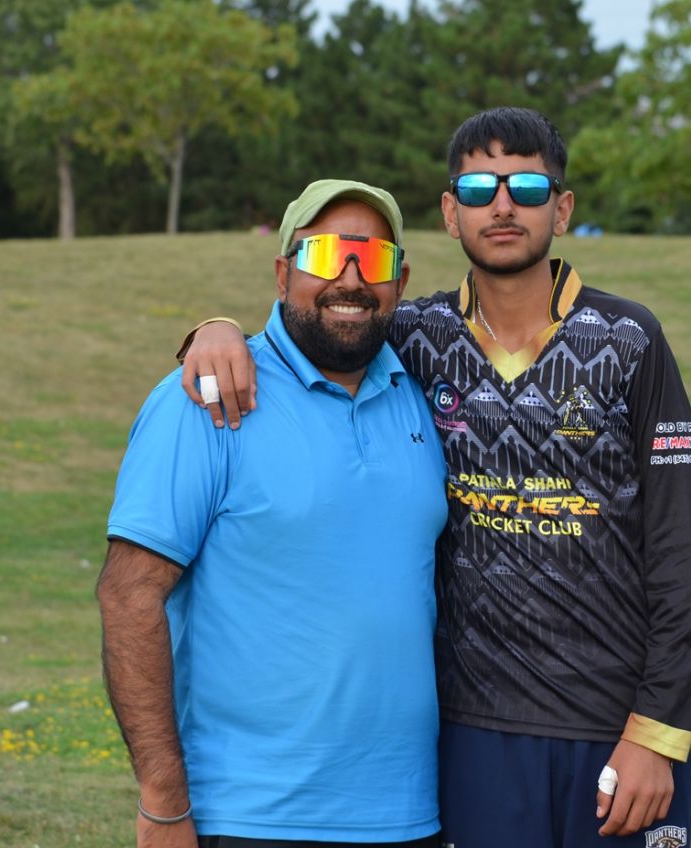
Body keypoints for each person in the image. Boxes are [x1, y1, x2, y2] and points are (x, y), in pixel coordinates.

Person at [178, 107, 691, 848]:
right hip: (472, 737)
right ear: (449, 213)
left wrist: (660, 734)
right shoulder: (414, 336)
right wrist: (215, 332)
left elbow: (684, 551)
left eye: (527, 186)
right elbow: (317, 322)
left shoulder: (629, 340)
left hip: (617, 733)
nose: (502, 204)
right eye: (478, 187)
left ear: (562, 209)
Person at [98, 179, 448, 848]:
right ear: (284, 271)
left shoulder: (421, 392)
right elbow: (129, 598)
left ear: (401, 282)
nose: (349, 278)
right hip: (254, 818)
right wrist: (164, 800)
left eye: (372, 260)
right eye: (323, 255)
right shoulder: (207, 399)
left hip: (411, 817)